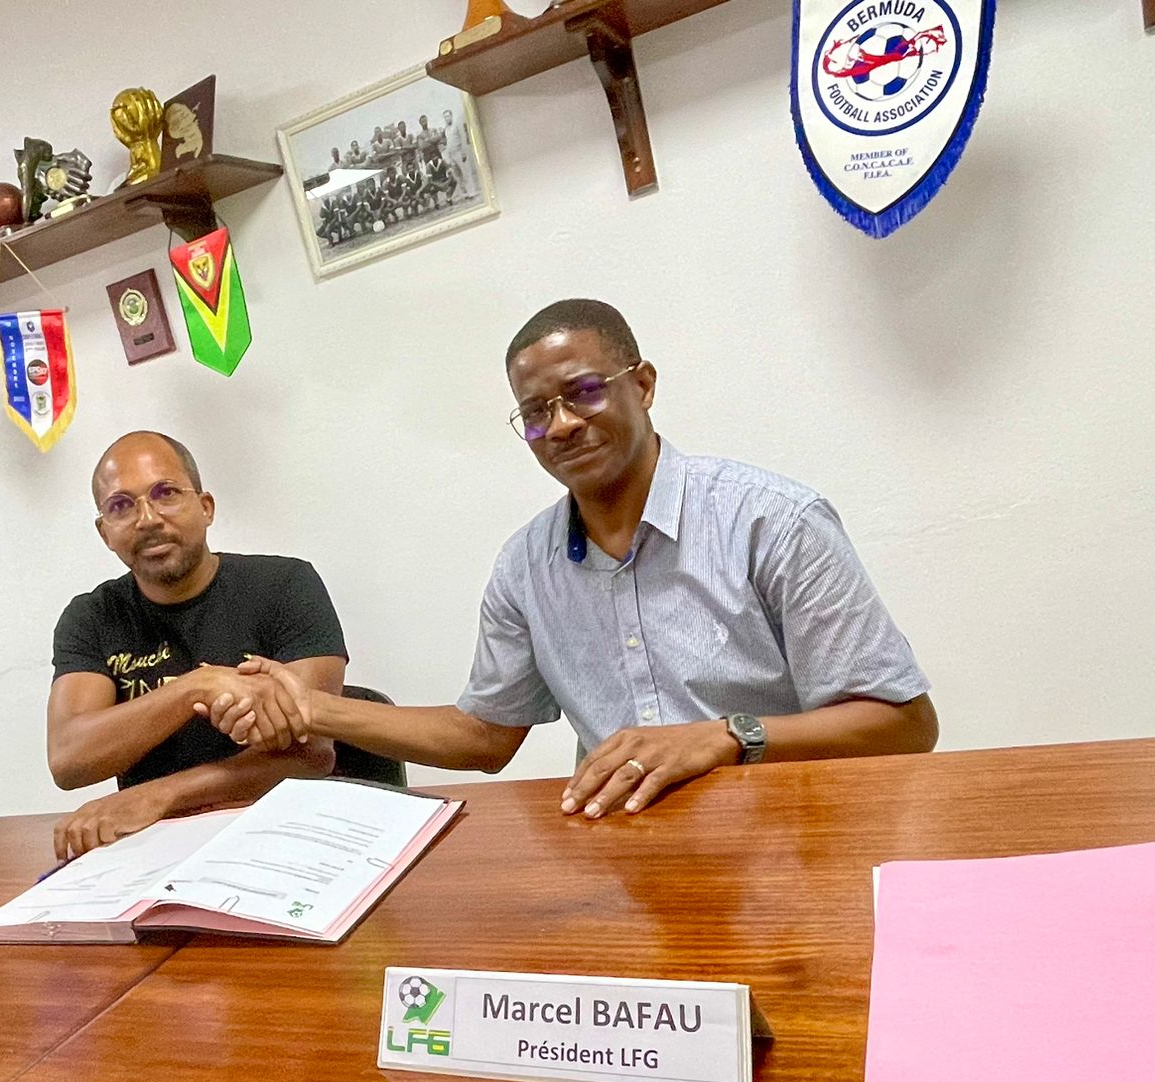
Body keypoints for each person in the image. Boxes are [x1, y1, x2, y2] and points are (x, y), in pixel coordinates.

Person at [205, 298, 938, 821]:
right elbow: (485, 737)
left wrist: (722, 737)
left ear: (642, 384)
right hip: (630, 854)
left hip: (799, 837)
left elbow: (905, 726)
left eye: (584, 392)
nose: (560, 425)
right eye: (534, 412)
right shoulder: (526, 569)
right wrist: (313, 708)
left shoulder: (772, 522)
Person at [46, 431, 347, 860]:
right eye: (121, 505)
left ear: (206, 508)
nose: (147, 518)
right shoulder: (92, 617)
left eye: (165, 493)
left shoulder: (285, 586)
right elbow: (70, 759)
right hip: (152, 849)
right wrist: (197, 687)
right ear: (105, 533)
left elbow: (310, 753)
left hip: (285, 832)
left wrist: (159, 795)